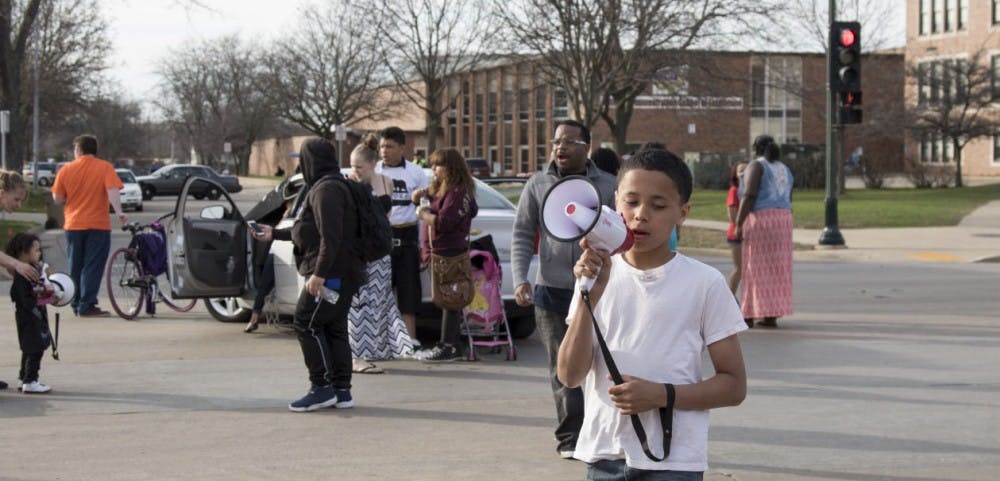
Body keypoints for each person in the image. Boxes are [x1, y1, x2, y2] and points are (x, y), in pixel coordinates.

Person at [558, 148, 747, 478]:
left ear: (682, 212)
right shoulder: (592, 275)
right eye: (631, 202)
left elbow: (733, 386)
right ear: (616, 202)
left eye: (658, 206)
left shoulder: (705, 283)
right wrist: (592, 292)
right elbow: (570, 375)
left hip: (673, 462)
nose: (641, 214)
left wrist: (662, 394)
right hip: (604, 455)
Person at [511, 119, 617, 459]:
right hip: (551, 290)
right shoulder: (537, 184)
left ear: (586, 146)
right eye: (556, 141)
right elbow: (523, 233)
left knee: (600, 366)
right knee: (563, 367)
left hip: (598, 290)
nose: (560, 147)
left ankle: (600, 433)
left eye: (569, 141)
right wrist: (520, 278)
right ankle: (570, 437)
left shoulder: (608, 185)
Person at [253, 138, 364, 412]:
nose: (299, 165)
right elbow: (309, 231)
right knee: (334, 328)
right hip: (343, 272)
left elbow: (331, 237)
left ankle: (322, 388)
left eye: (302, 159)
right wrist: (274, 233)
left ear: (311, 161)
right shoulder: (331, 186)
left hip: (331, 274)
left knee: (306, 322)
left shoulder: (326, 190)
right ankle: (341, 390)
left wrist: (319, 274)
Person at [347, 134, 414, 373]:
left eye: (359, 166)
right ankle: (357, 353)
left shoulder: (386, 182)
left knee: (380, 301)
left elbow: (388, 217)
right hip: (361, 252)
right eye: (353, 166)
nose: (355, 170)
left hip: (382, 250)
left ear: (372, 164)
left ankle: (377, 348)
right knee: (359, 304)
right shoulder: (351, 184)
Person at [412, 148, 478, 363]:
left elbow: (443, 223)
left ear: (451, 168)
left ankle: (449, 346)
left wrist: (423, 214)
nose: (433, 170)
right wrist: (422, 195)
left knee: (450, 300)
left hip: (448, 254)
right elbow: (437, 200)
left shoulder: (458, 193)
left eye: (437, 165)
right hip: (437, 253)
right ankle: (451, 345)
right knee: (447, 299)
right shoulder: (447, 190)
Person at [51, 135, 126, 317]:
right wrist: (119, 212)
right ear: (95, 150)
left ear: (78, 150)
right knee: (92, 265)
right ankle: (87, 304)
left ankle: (75, 301)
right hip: (97, 224)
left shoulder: (66, 170)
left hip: (73, 224)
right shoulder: (105, 167)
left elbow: (57, 198)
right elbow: (112, 192)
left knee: (75, 265)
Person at [375, 126, 428, 349]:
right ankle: (379, 341)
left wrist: (424, 247)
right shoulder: (374, 170)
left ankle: (409, 339)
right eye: (382, 146)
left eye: (389, 146)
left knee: (408, 292)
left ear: (402, 147)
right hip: (380, 237)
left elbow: (425, 208)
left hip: (406, 237)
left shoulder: (416, 173)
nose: (384, 151)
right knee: (379, 292)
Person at [734, 135, 794, 328]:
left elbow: (749, 195)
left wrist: (739, 222)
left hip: (762, 219)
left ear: (755, 149)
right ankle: (771, 315)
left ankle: (749, 314)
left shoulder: (756, 166)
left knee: (754, 267)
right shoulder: (784, 168)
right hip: (783, 219)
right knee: (777, 269)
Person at [6, 232, 55, 394]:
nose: (39, 253)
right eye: (35, 250)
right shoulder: (23, 275)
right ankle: (31, 380)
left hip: (32, 318)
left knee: (29, 349)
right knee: (34, 350)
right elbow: (26, 298)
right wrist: (42, 299)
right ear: (22, 253)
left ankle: (23, 378)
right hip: (29, 319)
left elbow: (38, 291)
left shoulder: (32, 271)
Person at [726, 161, 749, 297]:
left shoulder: (748, 190)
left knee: (747, 270)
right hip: (736, 235)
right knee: (739, 269)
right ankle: (727, 299)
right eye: (740, 170)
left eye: (746, 170)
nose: (743, 173)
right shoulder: (734, 191)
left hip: (749, 235)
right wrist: (739, 227)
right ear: (735, 174)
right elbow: (732, 215)